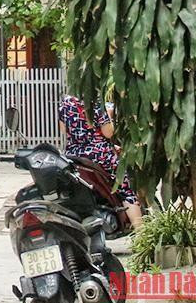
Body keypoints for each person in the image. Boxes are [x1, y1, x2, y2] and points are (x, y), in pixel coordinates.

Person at [58, 94, 143, 228]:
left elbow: (64, 129)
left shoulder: (66, 102)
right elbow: (108, 133)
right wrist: (110, 116)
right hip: (99, 154)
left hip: (73, 154)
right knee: (126, 187)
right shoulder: (96, 101)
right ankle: (141, 233)